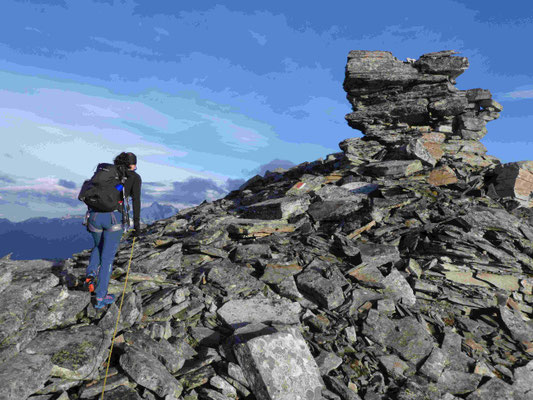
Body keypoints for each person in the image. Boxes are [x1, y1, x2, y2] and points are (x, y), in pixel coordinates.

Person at [85, 152, 142, 308]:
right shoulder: (134, 178)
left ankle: (90, 275)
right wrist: (137, 226)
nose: (136, 167)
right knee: (107, 258)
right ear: (131, 165)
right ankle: (100, 297)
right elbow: (136, 201)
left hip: (94, 217)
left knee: (98, 246)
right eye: (134, 164)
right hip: (113, 219)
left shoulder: (107, 173)